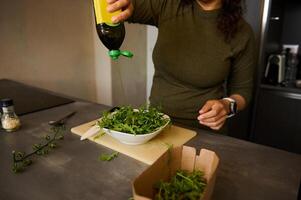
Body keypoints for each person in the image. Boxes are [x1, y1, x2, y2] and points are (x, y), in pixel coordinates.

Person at [106, 0, 255, 133]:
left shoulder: (242, 32)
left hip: (205, 132)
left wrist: (227, 105)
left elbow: (242, 92)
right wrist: (125, 6)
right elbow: (128, 6)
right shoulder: (169, 5)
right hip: (156, 125)